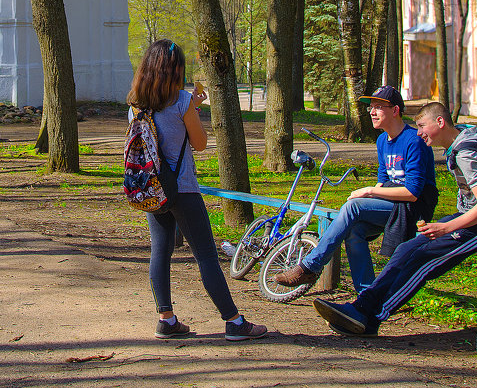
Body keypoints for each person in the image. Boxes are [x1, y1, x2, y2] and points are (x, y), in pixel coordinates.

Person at [313, 101, 477, 337]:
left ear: (440, 122)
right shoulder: (468, 132)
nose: (418, 133)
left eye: (421, 126)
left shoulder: (465, 154)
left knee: (421, 261)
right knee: (405, 249)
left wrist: (446, 227)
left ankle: (371, 316)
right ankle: (361, 309)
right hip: (467, 217)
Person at [128, 39, 267, 342]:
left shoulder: (135, 105)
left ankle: (166, 319)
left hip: (152, 189)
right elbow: (200, 143)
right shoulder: (180, 101)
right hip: (183, 190)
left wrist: (191, 106)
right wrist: (193, 108)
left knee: (160, 252)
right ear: (174, 69)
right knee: (205, 255)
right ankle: (234, 321)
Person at [276, 85, 437, 292]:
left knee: (354, 206)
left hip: (413, 210)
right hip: (393, 206)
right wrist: (371, 193)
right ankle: (367, 294)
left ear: (395, 110)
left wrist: (368, 192)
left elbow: (413, 193)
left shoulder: (413, 141)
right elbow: (383, 180)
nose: (372, 112)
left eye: (378, 107)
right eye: (371, 107)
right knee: (353, 230)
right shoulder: (382, 141)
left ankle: (310, 266)